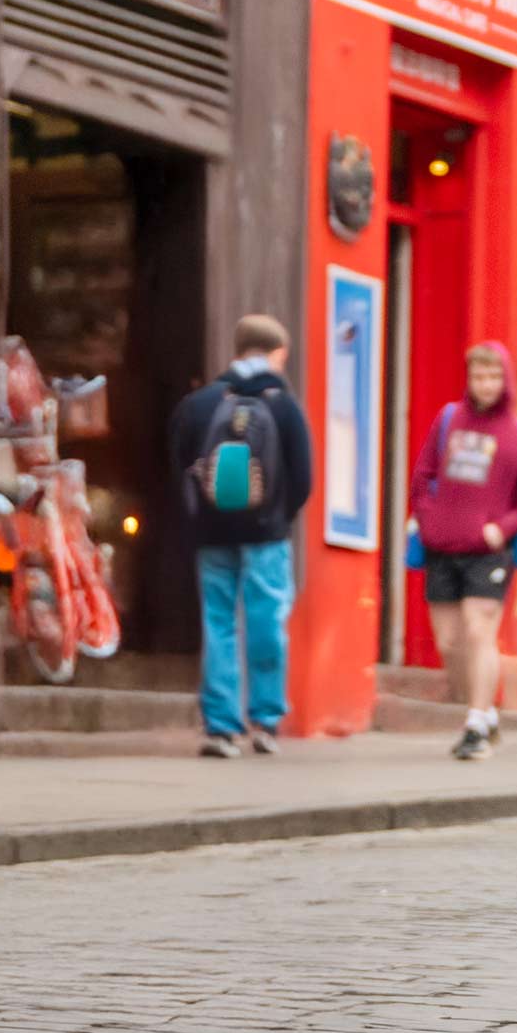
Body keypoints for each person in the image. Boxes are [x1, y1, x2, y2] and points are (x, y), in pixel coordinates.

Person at [170, 312, 315, 757]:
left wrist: (200, 518)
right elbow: (303, 477)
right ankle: (266, 720)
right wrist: (278, 516)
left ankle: (220, 727)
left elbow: (179, 465)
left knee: (218, 622)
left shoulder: (198, 404)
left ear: (236, 350)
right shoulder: (283, 405)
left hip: (212, 535)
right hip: (266, 535)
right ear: (279, 354)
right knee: (266, 621)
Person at [408, 341, 517, 761]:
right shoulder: (448, 420)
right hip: (441, 546)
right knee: (449, 643)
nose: (486, 384)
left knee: (479, 630)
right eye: (478, 376)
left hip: (489, 553)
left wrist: (502, 528)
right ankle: (486, 711)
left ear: (505, 380)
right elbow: (422, 476)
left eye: (493, 377)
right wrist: (429, 518)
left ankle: (474, 724)